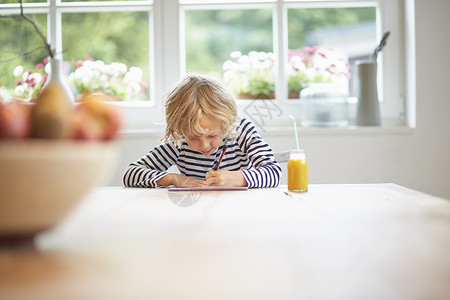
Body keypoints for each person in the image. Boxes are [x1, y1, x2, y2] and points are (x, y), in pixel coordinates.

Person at [123, 73, 281, 188]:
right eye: (193, 137)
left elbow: (274, 172)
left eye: (212, 135)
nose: (204, 145)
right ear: (180, 130)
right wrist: (173, 179)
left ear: (226, 122)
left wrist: (238, 178)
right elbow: (131, 174)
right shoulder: (179, 142)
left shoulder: (241, 130)